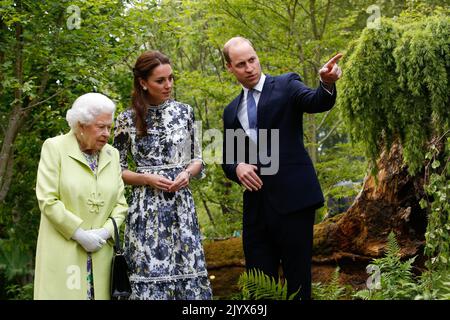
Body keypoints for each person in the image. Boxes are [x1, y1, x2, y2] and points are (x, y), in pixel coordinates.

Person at [221, 37, 342, 300]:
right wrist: (237, 167)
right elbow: (228, 160)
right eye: (241, 64)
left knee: (298, 283)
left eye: (252, 59)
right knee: (259, 288)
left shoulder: (287, 84)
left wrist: (327, 83)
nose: (250, 67)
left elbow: (316, 101)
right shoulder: (231, 111)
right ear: (229, 68)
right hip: (256, 209)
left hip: (294, 201)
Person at [113, 50, 212, 300]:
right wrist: (146, 179)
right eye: (160, 80)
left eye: (171, 78)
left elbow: (197, 158)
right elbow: (116, 169)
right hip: (147, 210)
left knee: (187, 277)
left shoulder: (185, 112)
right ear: (143, 83)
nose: (168, 85)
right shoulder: (126, 118)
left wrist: (187, 174)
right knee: (150, 280)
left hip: (182, 206)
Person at [34, 93, 128, 300]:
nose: (106, 133)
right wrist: (80, 235)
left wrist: (104, 233)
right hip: (64, 252)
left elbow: (121, 204)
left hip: (102, 255)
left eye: (109, 128)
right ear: (81, 125)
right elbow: (47, 200)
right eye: (100, 126)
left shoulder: (112, 155)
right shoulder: (54, 148)